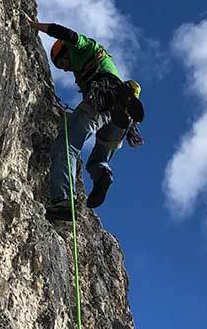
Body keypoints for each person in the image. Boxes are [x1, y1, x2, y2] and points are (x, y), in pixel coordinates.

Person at [27, 17, 145, 221]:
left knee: (66, 146)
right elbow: (88, 119)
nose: (65, 68)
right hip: (115, 118)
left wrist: (35, 25)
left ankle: (63, 201)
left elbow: (67, 34)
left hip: (102, 97)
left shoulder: (83, 47)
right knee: (97, 161)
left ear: (65, 51)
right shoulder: (100, 63)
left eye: (62, 63)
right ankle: (103, 175)